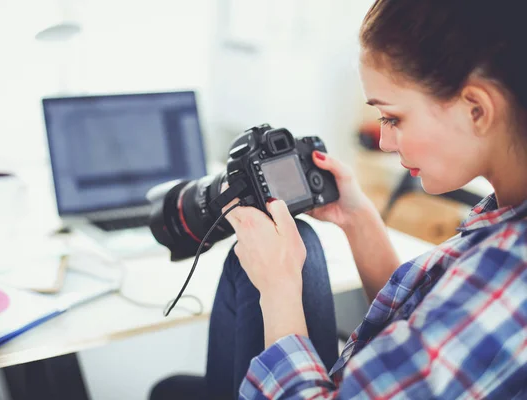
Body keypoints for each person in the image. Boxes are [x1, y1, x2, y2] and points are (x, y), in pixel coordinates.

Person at [150, 0, 527, 398]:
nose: (383, 141)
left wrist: (279, 289)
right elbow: (429, 332)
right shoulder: (503, 218)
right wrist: (357, 219)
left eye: (393, 118)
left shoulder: (510, 270)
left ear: (477, 109)